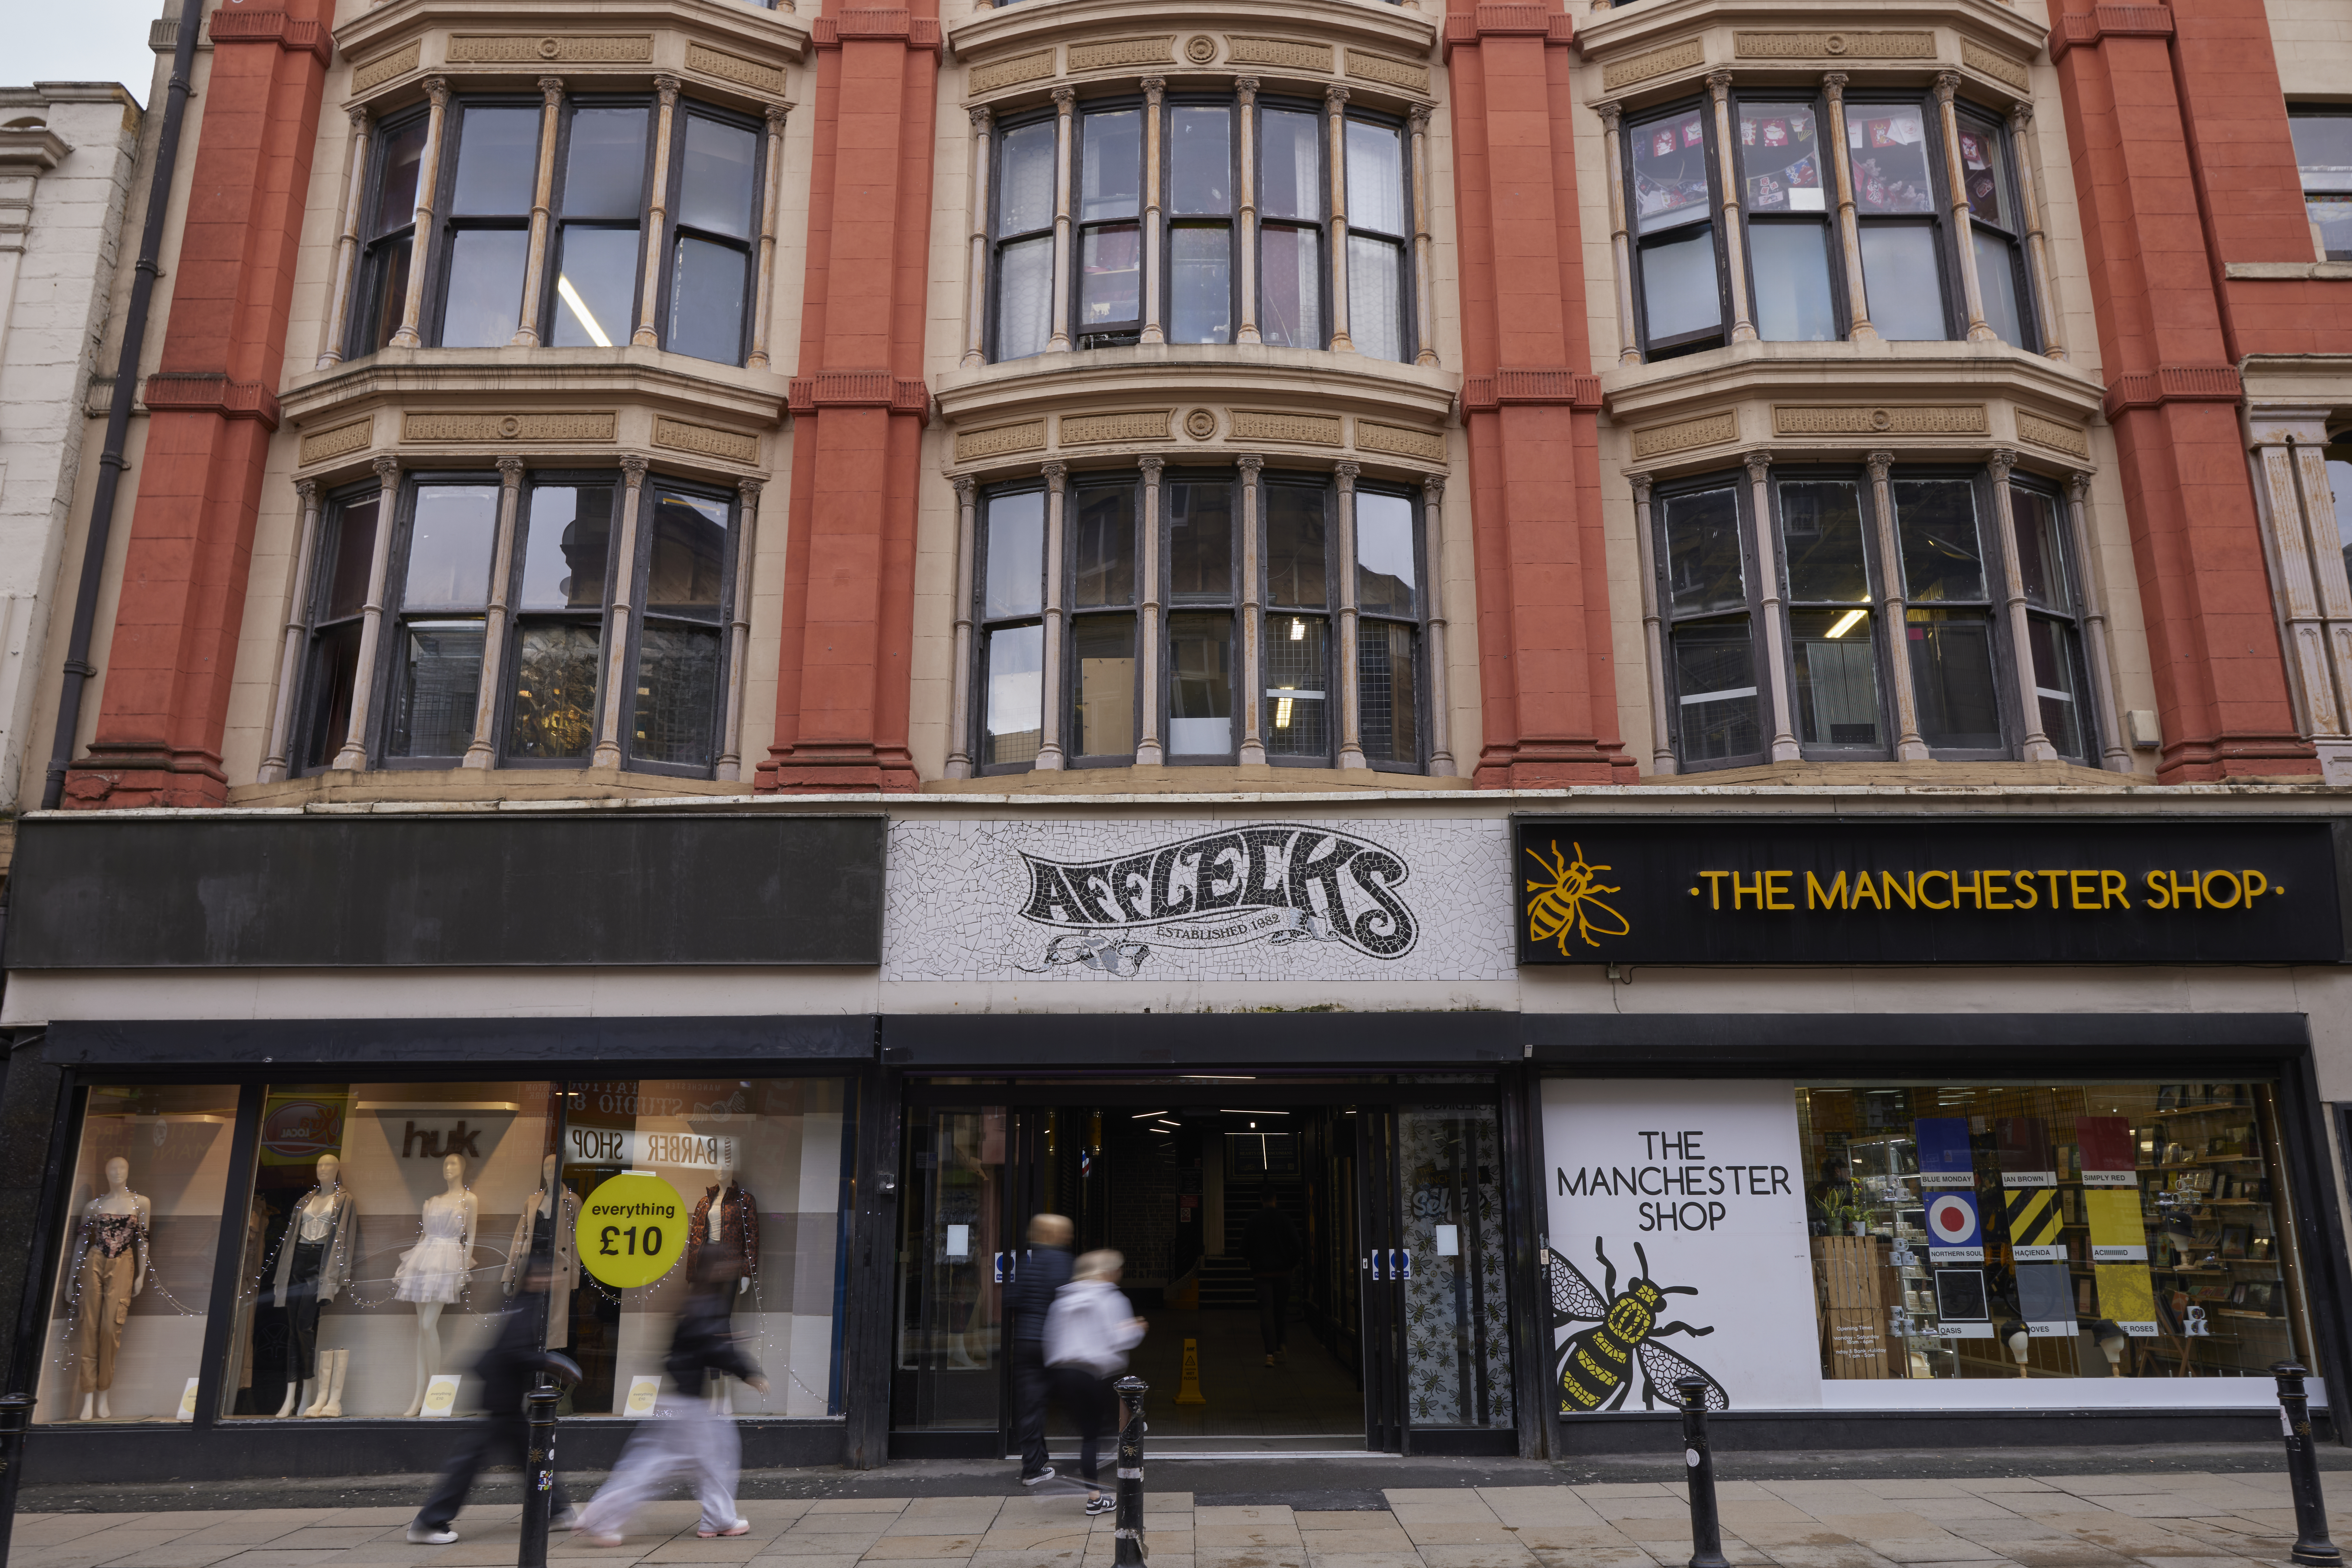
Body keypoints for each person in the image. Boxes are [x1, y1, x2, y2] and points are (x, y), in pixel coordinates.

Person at [574, 1246, 770, 1546]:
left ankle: (718, 1518)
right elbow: (713, 1348)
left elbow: (700, 1346)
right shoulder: (707, 1303)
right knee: (690, 1462)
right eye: (726, 1265)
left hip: (681, 1403)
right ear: (715, 1270)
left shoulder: (696, 1300)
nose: (731, 1269)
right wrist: (748, 1372)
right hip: (690, 1409)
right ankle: (602, 1518)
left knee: (683, 1461)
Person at [406, 1258, 578, 1545]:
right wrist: (550, 1362)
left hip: (504, 1400)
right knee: (473, 1462)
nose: (555, 1280)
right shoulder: (525, 1306)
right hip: (501, 1401)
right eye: (550, 1275)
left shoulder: (523, 1302)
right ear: (535, 1278)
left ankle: (557, 1510)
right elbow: (514, 1351)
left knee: (532, 1457)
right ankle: (428, 1522)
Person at [1043, 1250, 1145, 1518]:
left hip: (1065, 1372)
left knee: (1089, 1437)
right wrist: (1137, 1327)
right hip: (1096, 1373)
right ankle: (1130, 1428)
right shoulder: (1110, 1297)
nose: (1118, 1274)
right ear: (1107, 1271)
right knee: (1112, 1425)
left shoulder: (1063, 1299)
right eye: (1117, 1269)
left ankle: (1095, 1498)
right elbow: (1118, 1339)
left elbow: (1051, 1339)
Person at [1007, 1212, 1074, 1486]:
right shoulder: (1064, 1262)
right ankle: (1095, 1450)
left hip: (1025, 1342)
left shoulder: (1026, 1261)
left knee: (1030, 1406)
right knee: (1077, 1395)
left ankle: (1033, 1468)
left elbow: (1011, 1297)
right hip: (1054, 1342)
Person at [1240, 1189, 1301, 1366]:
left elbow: (1243, 1248)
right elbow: (1298, 1247)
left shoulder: (1254, 1221)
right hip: (1283, 1273)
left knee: (1267, 1311)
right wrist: (1291, 1265)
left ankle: (1270, 1354)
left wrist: (1253, 1260)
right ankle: (1281, 1344)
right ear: (1275, 1199)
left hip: (1262, 1274)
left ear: (1261, 1200)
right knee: (1280, 1311)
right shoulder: (1285, 1220)